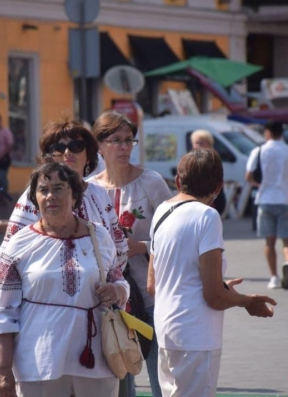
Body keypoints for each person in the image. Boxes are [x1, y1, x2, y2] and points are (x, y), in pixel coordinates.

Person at [0, 162, 129, 397]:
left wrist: (117, 291)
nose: (51, 196)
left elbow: (119, 280)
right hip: (39, 362)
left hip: (97, 360)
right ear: (35, 199)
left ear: (75, 196)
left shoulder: (99, 235)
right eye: (43, 190)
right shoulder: (19, 244)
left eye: (59, 188)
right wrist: (2, 371)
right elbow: (3, 312)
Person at [149, 150, 276, 397]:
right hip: (195, 334)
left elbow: (153, 285)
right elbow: (214, 297)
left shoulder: (162, 210)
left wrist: (220, 288)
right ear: (218, 187)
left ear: (178, 181)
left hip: (166, 330)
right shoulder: (207, 216)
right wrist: (247, 301)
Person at [89, 111, 172, 397]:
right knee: (118, 378)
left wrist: (143, 246)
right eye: (116, 140)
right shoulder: (88, 188)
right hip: (106, 298)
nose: (124, 147)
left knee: (160, 374)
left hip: (149, 292)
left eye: (129, 140)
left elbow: (173, 234)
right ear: (99, 146)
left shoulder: (151, 183)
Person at [0, 117, 128, 274]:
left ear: (88, 155)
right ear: (50, 157)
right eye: (59, 148)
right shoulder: (35, 195)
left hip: (98, 287)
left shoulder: (99, 194)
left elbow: (118, 249)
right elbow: (9, 253)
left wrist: (109, 282)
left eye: (76, 146)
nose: (67, 153)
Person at [245, 120, 288, 290]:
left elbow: (248, 176)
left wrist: (260, 185)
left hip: (265, 199)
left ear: (268, 132)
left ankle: (274, 277)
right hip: (286, 199)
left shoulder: (259, 151)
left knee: (269, 242)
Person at [190, 129, 226, 215]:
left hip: (211, 199)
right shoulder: (189, 160)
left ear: (209, 144)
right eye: (196, 143)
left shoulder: (214, 159)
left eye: (201, 143)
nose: (199, 146)